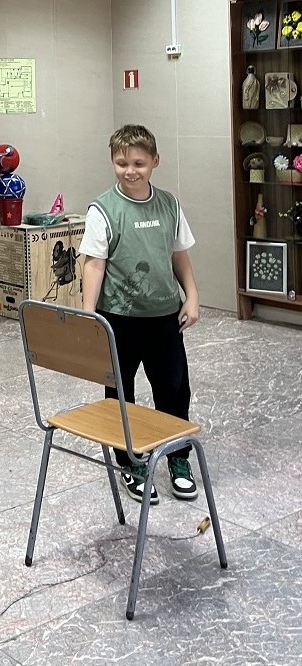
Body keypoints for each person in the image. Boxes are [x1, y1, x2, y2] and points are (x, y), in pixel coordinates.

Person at [80, 124, 200, 505]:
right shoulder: (103, 209)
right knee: (120, 393)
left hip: (165, 317)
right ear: (112, 163)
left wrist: (192, 295)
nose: (130, 171)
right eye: (121, 163)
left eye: (138, 163)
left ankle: (178, 457)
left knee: (174, 389)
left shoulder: (169, 205)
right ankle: (130, 463)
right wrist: (89, 316)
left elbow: (178, 254)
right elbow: (94, 264)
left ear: (154, 162)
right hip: (118, 320)